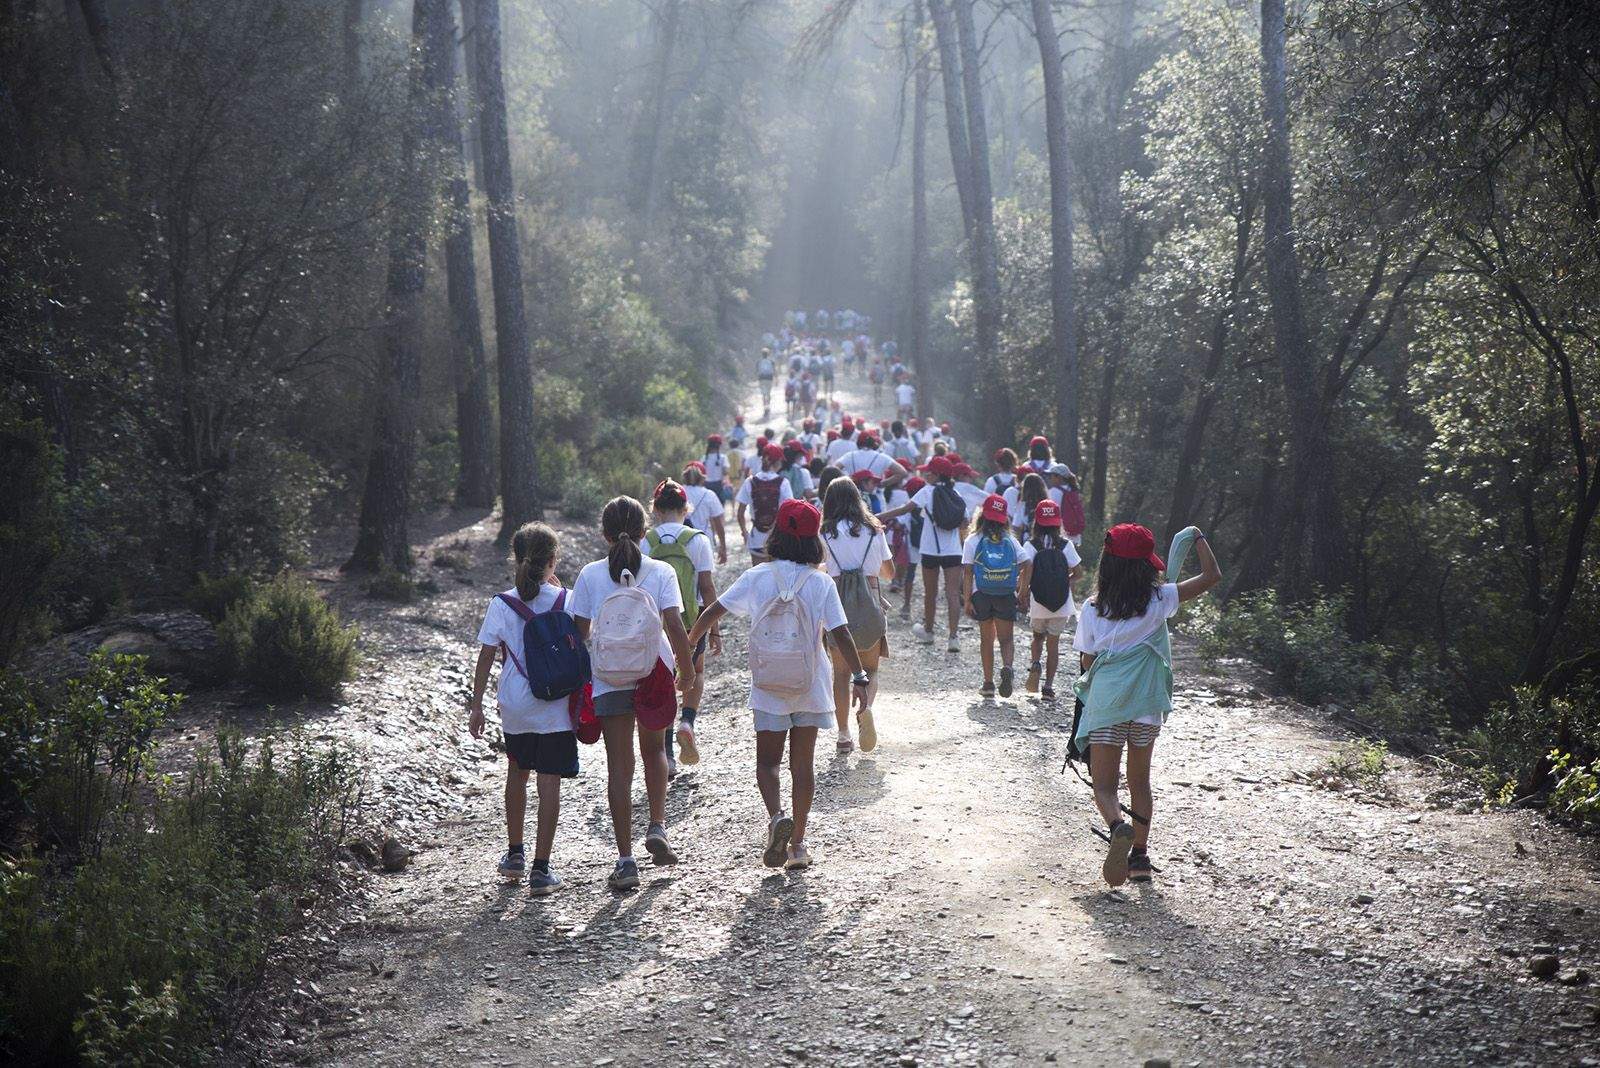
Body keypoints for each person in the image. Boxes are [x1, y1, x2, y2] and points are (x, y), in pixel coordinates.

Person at [686, 499, 870, 871]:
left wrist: (688, 650)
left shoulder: (758, 577)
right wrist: (860, 676)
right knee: (802, 766)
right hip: (809, 681)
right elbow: (842, 634)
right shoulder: (819, 582)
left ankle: (775, 818)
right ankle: (798, 845)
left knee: (768, 764)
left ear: (777, 535)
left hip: (769, 681)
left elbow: (712, 612)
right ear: (813, 540)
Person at [1075, 523, 1221, 886]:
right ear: (1145, 567)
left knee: (1105, 785)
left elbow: (1087, 663)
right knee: (1140, 781)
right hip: (1146, 705)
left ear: (1106, 564)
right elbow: (1212, 576)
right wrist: (1197, 538)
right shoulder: (1161, 600)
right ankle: (1139, 857)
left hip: (1108, 703)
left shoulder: (1092, 609)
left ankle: (1117, 825)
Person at [568, 497, 695, 891]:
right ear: (645, 531)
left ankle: (625, 861)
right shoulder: (660, 570)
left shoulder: (590, 575)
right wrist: (687, 669)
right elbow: (674, 623)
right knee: (655, 750)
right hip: (652, 671)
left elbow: (580, 631)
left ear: (604, 534)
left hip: (608, 675)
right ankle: (657, 825)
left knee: (618, 769)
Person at [467, 523, 579, 896]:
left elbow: (486, 655)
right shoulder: (567, 599)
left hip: (515, 703)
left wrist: (477, 706)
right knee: (549, 782)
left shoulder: (502, 603)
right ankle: (541, 869)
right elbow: (583, 642)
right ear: (552, 560)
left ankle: (514, 853)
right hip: (556, 704)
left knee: (517, 773)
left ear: (516, 559)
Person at [643, 480, 721, 779]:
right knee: (696, 672)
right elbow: (706, 587)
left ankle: (668, 757)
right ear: (685, 508)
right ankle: (687, 721)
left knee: (662, 684)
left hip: (657, 625)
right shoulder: (698, 540)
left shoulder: (646, 541)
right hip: (692, 622)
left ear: (656, 509)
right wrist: (714, 628)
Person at [878, 455, 982, 652]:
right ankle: (953, 638)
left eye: (928, 472)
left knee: (930, 593)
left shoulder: (926, 492)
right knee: (952, 593)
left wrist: (878, 517)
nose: (925, 474)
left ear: (936, 475)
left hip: (930, 550)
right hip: (952, 550)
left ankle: (928, 632)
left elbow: (904, 510)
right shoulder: (956, 494)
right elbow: (965, 523)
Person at [820, 478, 892, 754]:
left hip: (837, 608)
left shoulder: (825, 533)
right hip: (870, 603)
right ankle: (867, 709)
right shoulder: (874, 530)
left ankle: (843, 735)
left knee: (840, 674)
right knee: (871, 669)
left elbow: (819, 569)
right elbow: (889, 573)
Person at [961, 494, 1031, 699]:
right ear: (1004, 519)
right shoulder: (1010, 540)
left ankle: (988, 684)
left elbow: (967, 572)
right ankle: (1007, 667)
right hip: (1005, 594)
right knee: (1006, 639)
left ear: (982, 515)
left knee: (986, 639)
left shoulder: (973, 540)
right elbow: (1028, 563)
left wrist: (967, 600)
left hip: (982, 594)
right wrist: (1022, 590)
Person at [1020, 499, 1082, 700]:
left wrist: (1023, 593)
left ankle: (1035, 663)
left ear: (1036, 522)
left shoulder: (1031, 545)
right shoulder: (1066, 545)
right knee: (1053, 644)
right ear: (1058, 523)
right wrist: (1065, 580)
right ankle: (1048, 686)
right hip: (1062, 604)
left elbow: (1026, 572)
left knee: (1037, 637)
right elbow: (1079, 573)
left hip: (1038, 602)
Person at [735, 443, 795, 562]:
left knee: (758, 578)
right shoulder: (783, 483)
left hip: (756, 539)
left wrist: (744, 532)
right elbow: (790, 511)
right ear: (777, 462)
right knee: (778, 578)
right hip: (778, 539)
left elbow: (740, 512)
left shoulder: (750, 482)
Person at [679, 462, 729, 564]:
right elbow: (719, 524)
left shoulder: (678, 492)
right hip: (704, 541)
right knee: (705, 577)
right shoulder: (709, 495)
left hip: (681, 542)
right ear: (702, 478)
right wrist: (723, 547)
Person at [703, 434, 729, 502]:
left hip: (706, 485)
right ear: (719, 445)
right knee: (720, 507)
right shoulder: (723, 457)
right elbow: (725, 472)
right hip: (719, 485)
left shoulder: (703, 458)